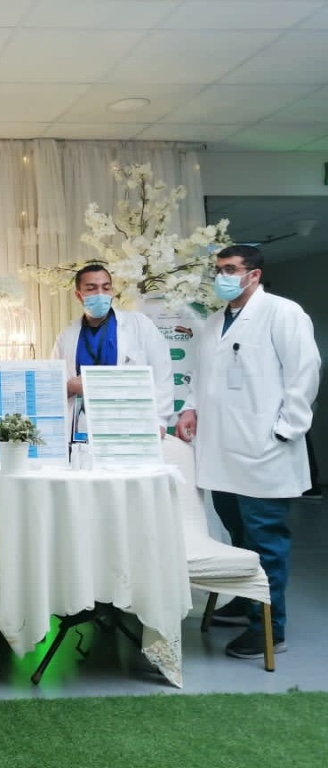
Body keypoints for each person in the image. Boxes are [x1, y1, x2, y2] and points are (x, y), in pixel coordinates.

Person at [175, 245, 320, 660]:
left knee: (265, 541)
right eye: (218, 270)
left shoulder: (283, 313)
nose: (221, 277)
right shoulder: (214, 322)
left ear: (253, 274)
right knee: (238, 536)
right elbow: (200, 375)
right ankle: (244, 601)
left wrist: (286, 430)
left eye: (229, 269)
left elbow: (304, 374)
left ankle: (269, 630)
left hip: (264, 451)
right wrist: (190, 407)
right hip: (221, 453)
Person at [53, 264, 174, 437]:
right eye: (91, 288)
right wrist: (71, 386)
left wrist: (160, 421)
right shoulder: (66, 336)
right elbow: (53, 387)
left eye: (106, 287)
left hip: (131, 424)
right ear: (79, 295)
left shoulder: (139, 324)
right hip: (83, 425)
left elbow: (162, 372)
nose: (100, 294)